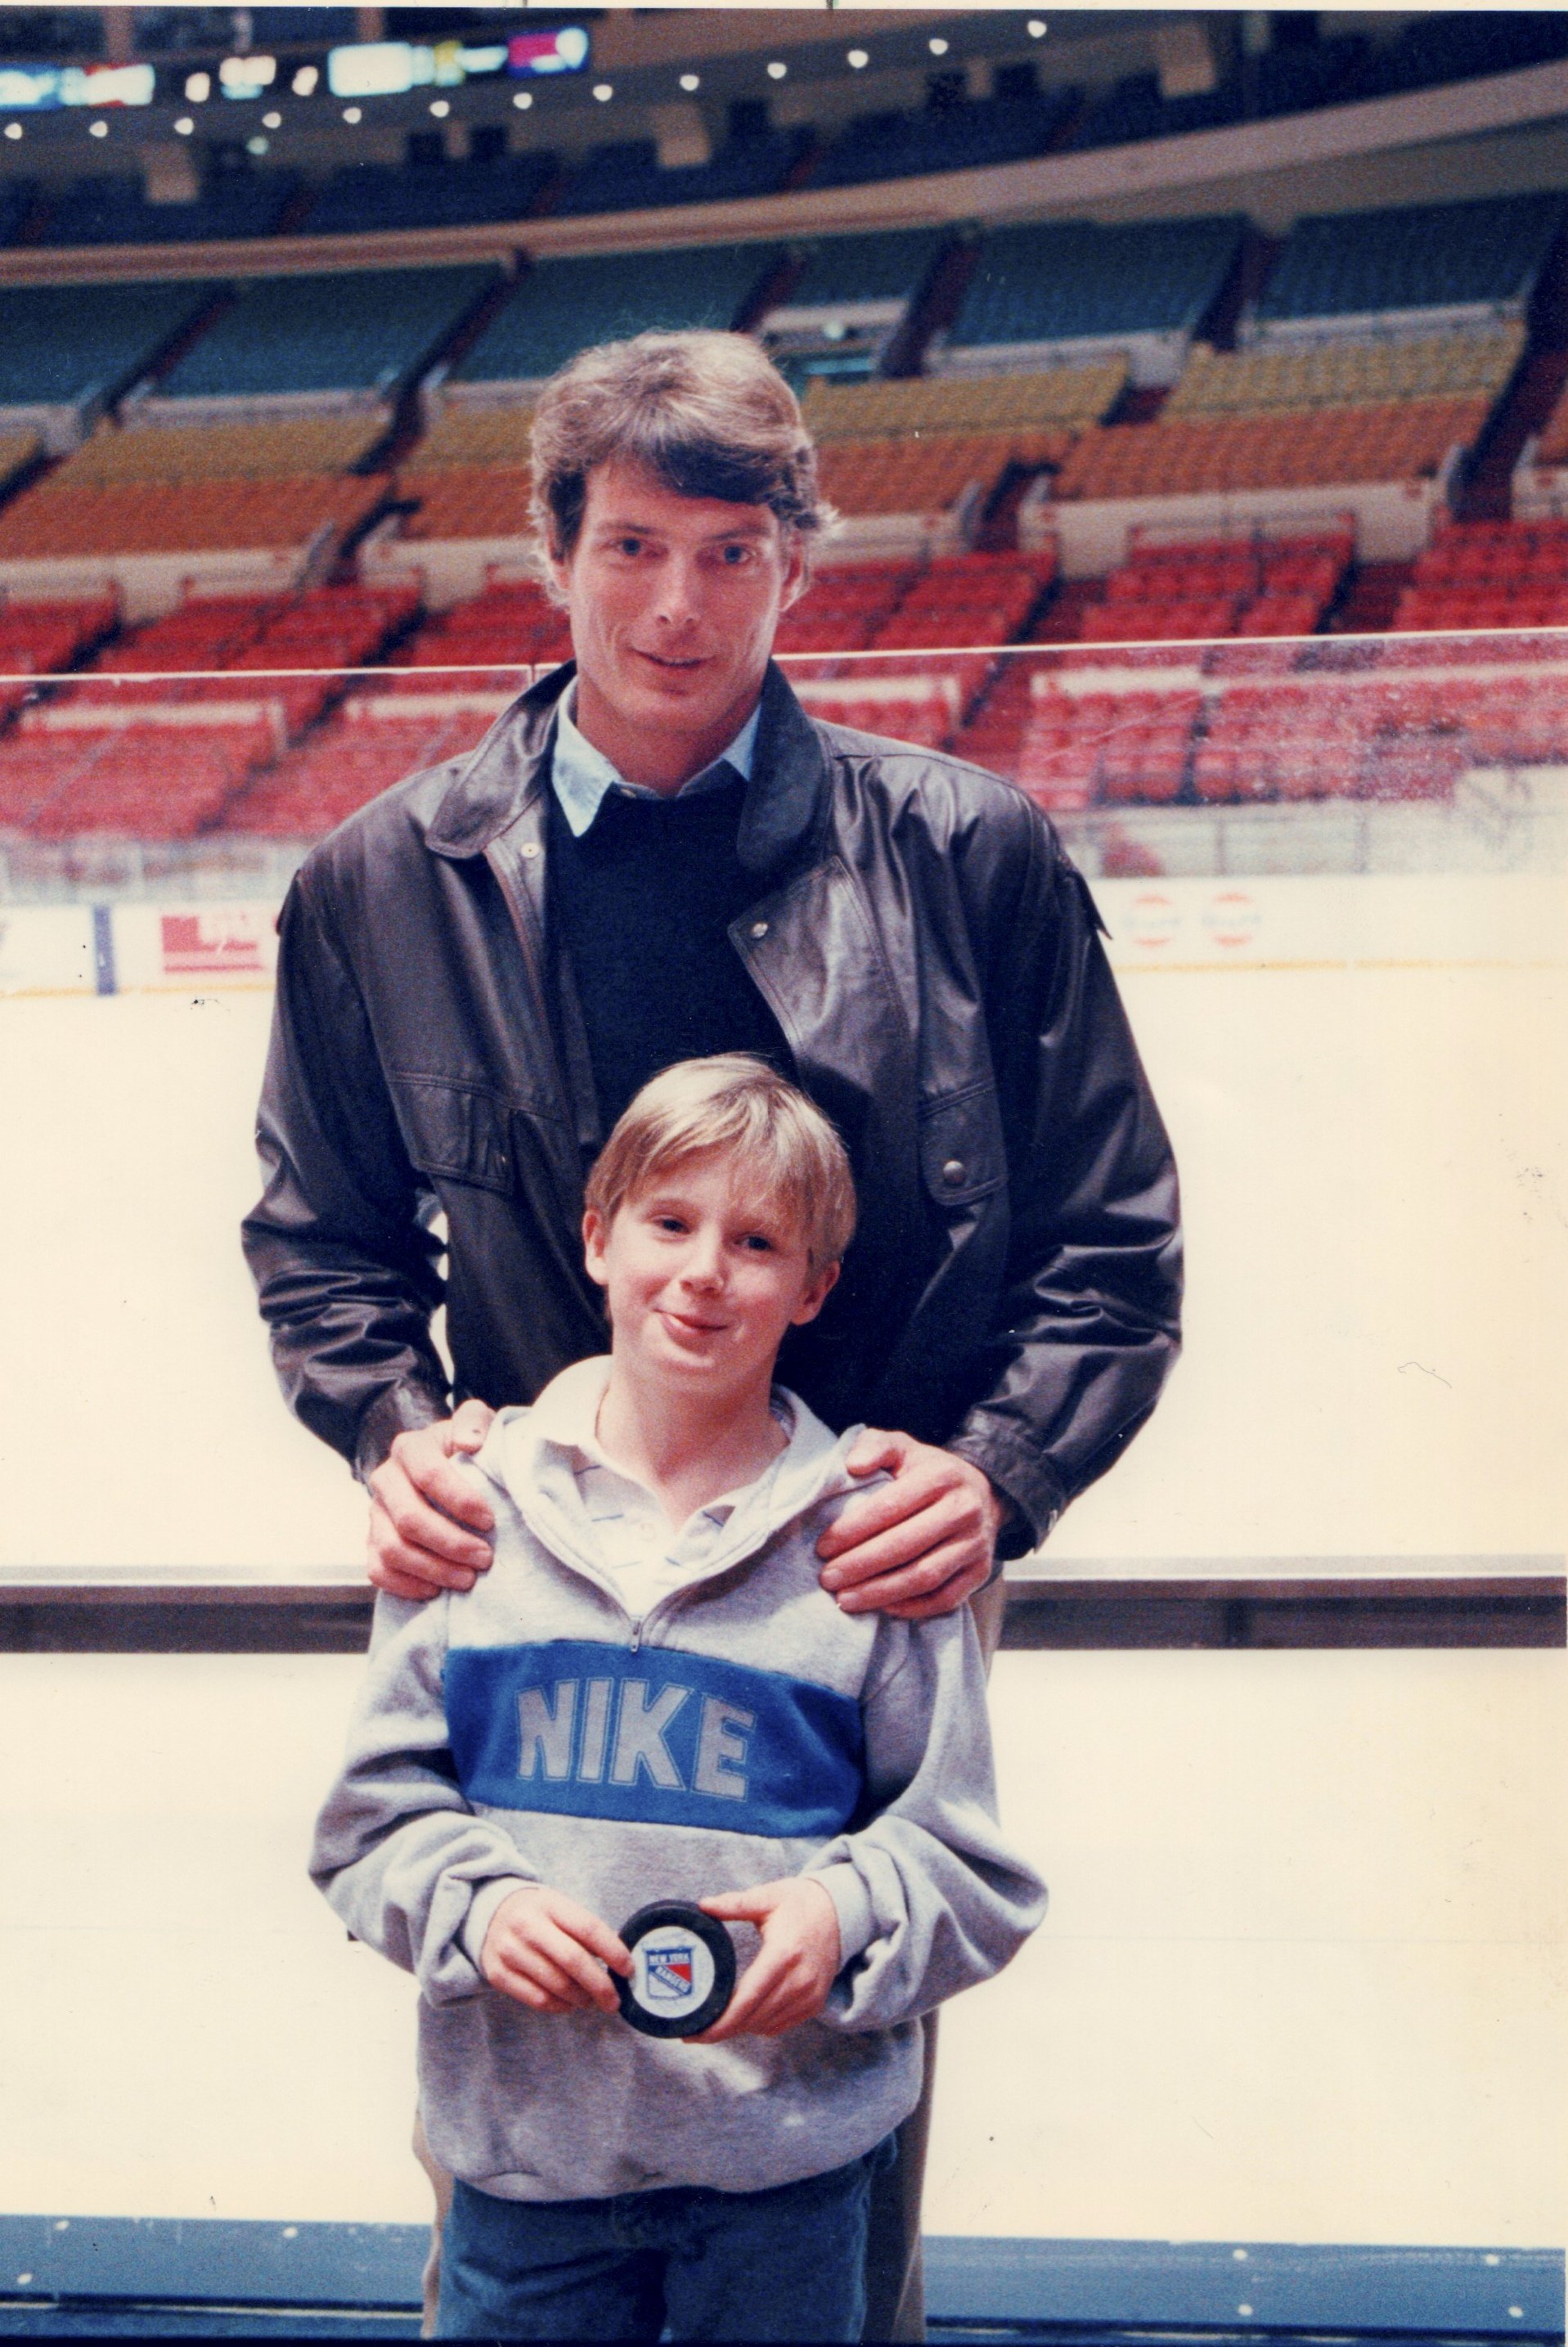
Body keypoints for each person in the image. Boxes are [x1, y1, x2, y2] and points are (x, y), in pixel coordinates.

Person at [244, 327, 1182, 2337]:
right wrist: (393, 1430)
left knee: (836, 2103)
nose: (678, 605)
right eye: (636, 547)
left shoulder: (969, 853)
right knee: (521, 2079)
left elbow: (1111, 1243)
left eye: (730, 554)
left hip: (868, 1564)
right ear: (554, 556)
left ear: (793, 567)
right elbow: (319, 1240)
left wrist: (998, 1477)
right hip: (550, 1558)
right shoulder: (380, 882)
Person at [311, 1055, 1047, 2342]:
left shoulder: (873, 1545)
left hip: (785, 2185)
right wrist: (477, 1909)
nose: (705, 1269)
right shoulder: (469, 1512)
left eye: (756, 1240)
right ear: (597, 1237)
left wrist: (842, 1906)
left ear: (812, 1287)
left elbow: (967, 1867)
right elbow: (369, 1825)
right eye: (670, 1222)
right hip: (524, 2177)